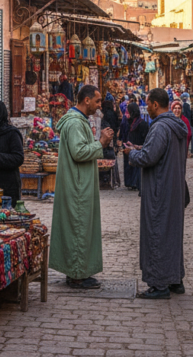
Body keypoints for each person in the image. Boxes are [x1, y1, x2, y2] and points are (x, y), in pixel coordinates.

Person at [124, 88, 189, 299]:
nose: (147, 108)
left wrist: (131, 153)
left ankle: (160, 284)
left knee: (158, 233)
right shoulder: (175, 125)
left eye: (147, 104)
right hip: (173, 188)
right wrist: (141, 147)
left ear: (154, 104)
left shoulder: (160, 126)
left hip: (159, 190)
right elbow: (159, 151)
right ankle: (174, 279)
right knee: (172, 234)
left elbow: (149, 158)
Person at [49, 84, 114, 290]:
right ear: (87, 100)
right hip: (78, 186)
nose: (98, 105)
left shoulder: (77, 121)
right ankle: (77, 275)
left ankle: (76, 271)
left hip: (79, 182)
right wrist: (101, 143)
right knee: (79, 227)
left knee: (79, 228)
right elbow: (79, 152)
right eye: (97, 101)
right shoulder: (75, 123)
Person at [120, 101, 147, 190]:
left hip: (138, 148)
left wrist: (137, 145)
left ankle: (135, 182)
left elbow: (145, 137)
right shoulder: (128, 122)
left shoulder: (141, 123)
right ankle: (129, 182)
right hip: (128, 147)